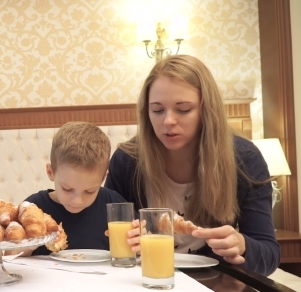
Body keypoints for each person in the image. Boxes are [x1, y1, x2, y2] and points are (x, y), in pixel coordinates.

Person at [104, 54, 280, 277]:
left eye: (183, 109)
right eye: (157, 110)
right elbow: (104, 241)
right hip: (145, 281)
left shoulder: (244, 159)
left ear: (207, 111)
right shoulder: (127, 161)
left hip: (215, 286)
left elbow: (270, 256)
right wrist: (125, 241)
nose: (168, 121)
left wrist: (242, 245)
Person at [11, 122, 126, 263]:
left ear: (103, 178)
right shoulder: (34, 208)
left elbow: (140, 246)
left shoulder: (114, 205)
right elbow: (9, 253)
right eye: (67, 189)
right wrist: (29, 244)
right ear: (50, 172)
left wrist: (137, 242)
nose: (77, 200)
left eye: (90, 191)